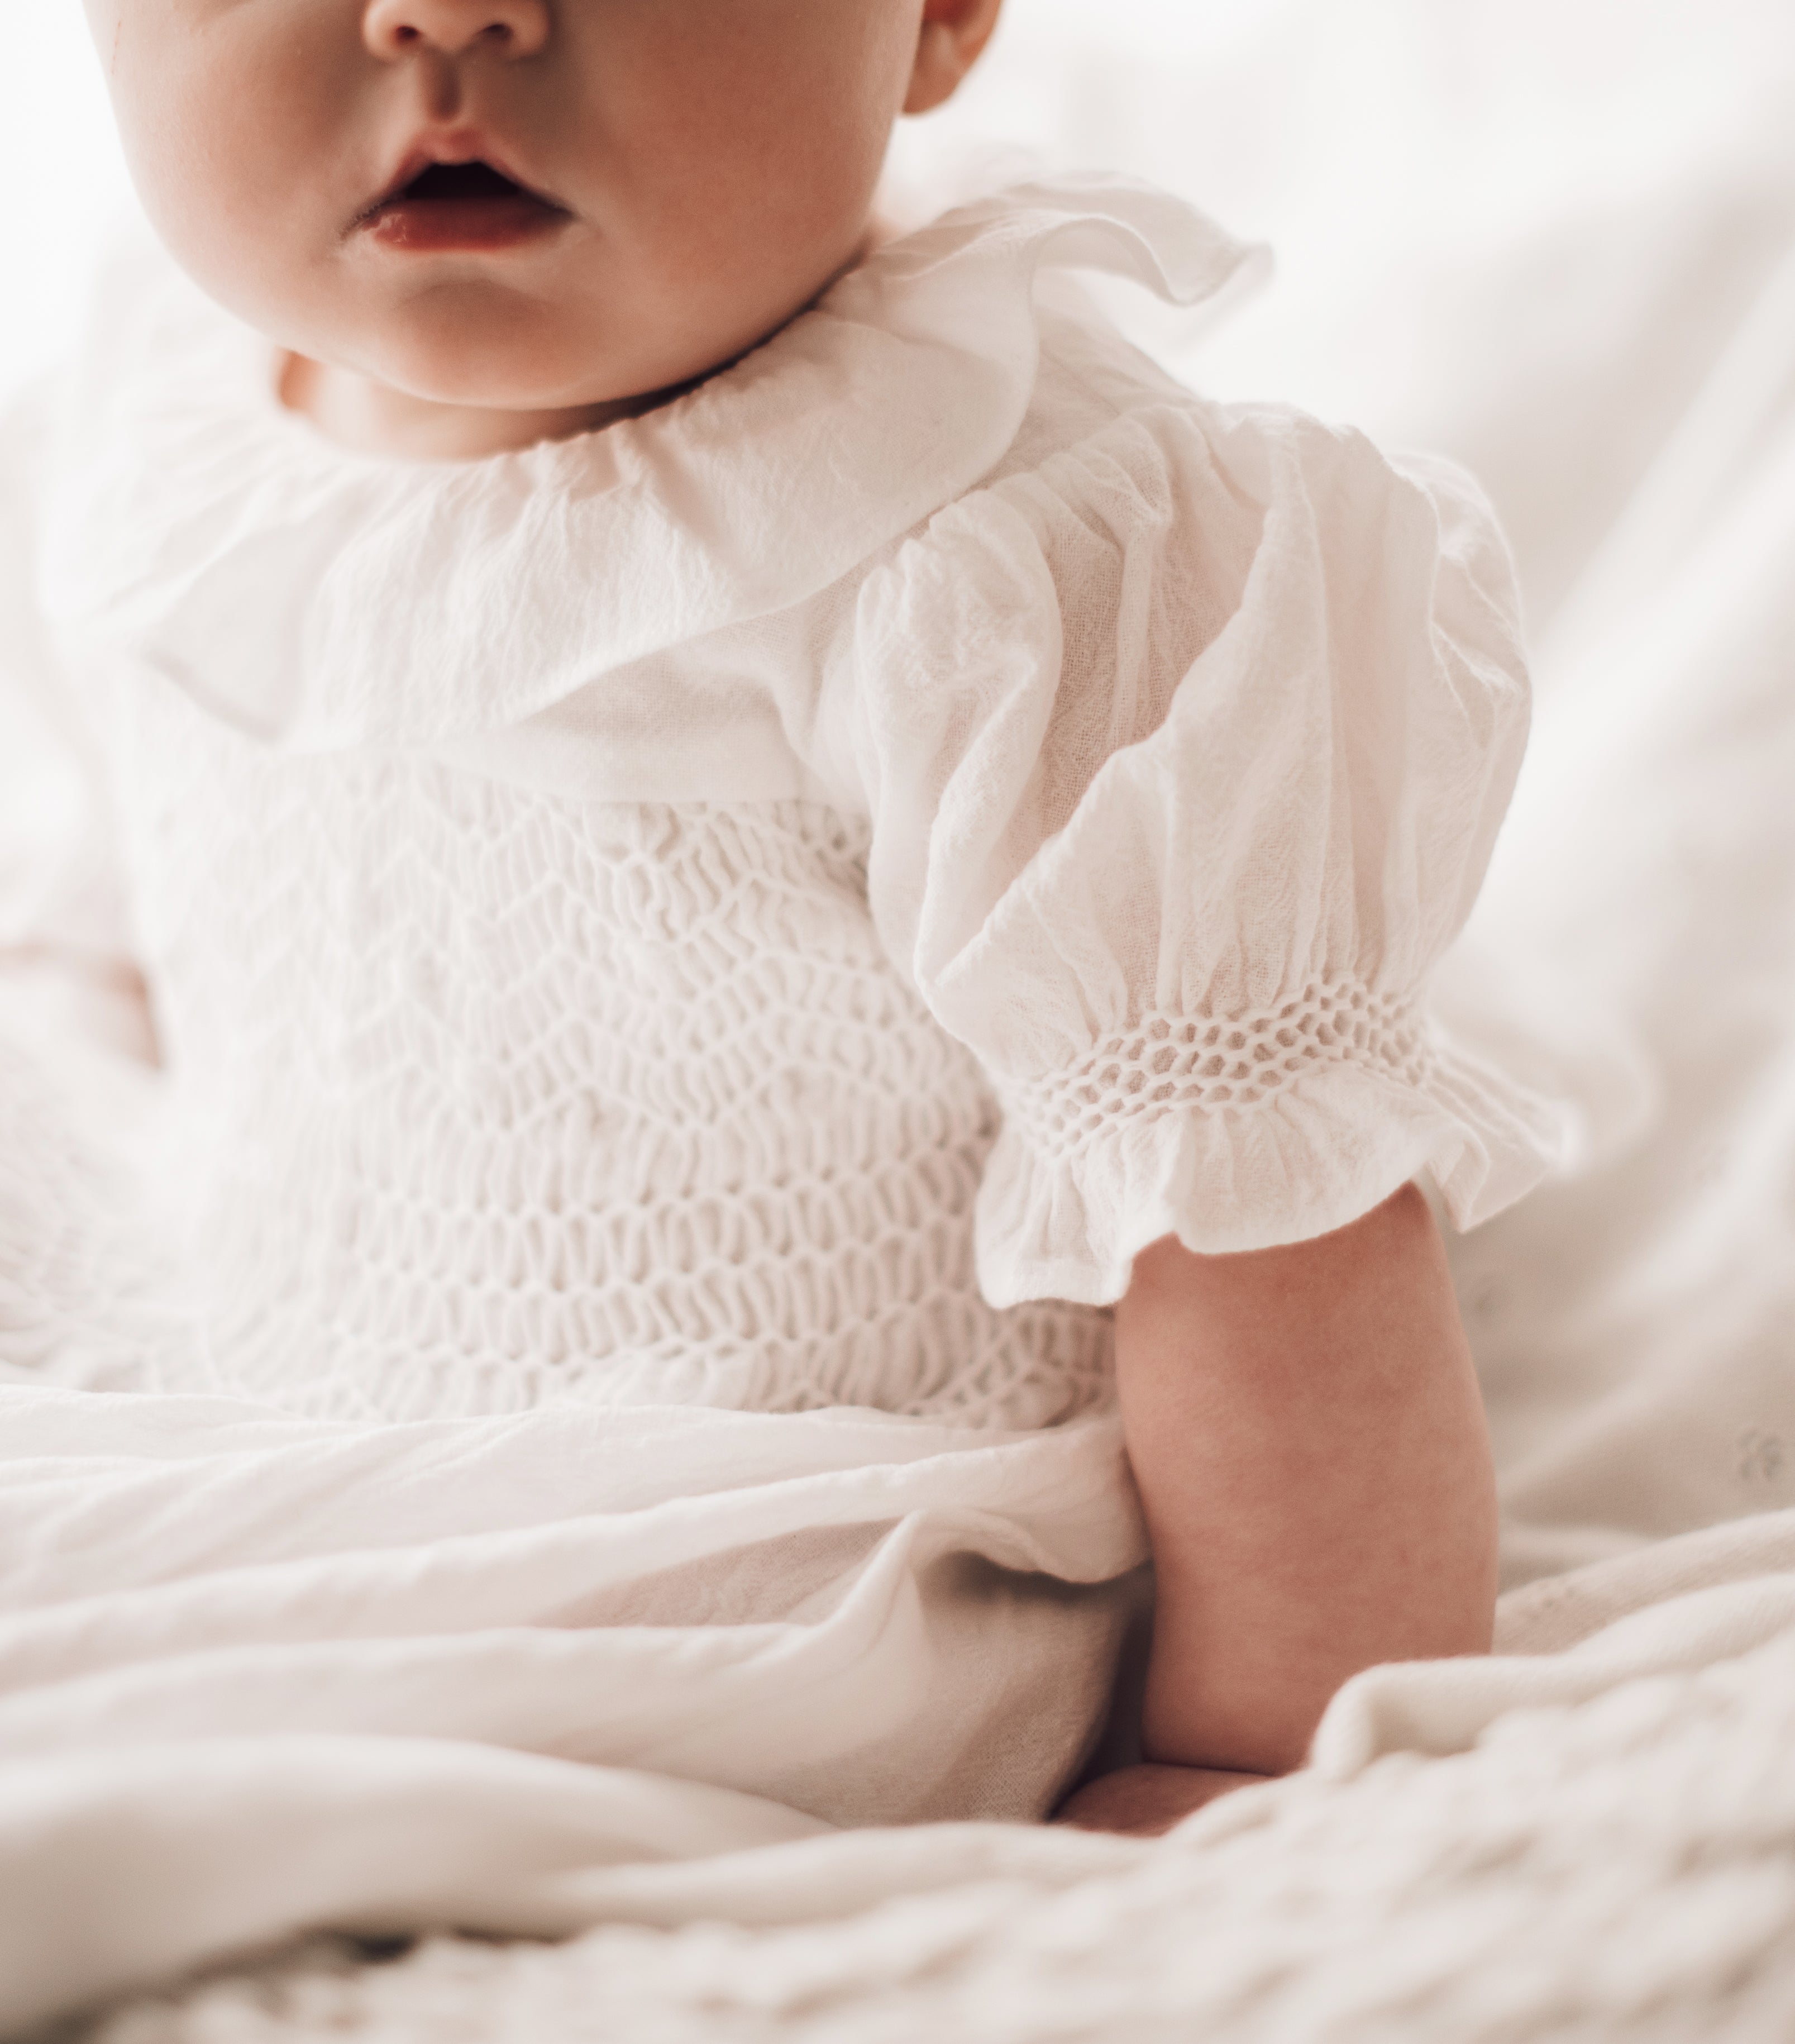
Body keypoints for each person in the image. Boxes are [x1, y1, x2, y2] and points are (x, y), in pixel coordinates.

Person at [0, 0, 1561, 1848]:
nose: (447, 11)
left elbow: (1264, 1233)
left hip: (774, 1491)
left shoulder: (1020, 546)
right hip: (249, 1286)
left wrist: (1252, 1762)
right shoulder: (156, 388)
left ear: (945, 17)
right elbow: (147, 838)